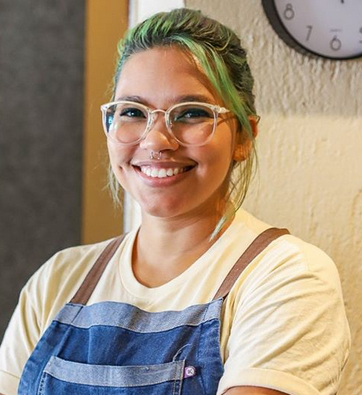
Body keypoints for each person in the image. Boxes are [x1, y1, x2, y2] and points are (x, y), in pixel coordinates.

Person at [0, 8, 350, 395]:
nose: (156, 141)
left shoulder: (286, 278)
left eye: (191, 113)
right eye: (132, 111)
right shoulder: (57, 281)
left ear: (244, 137)